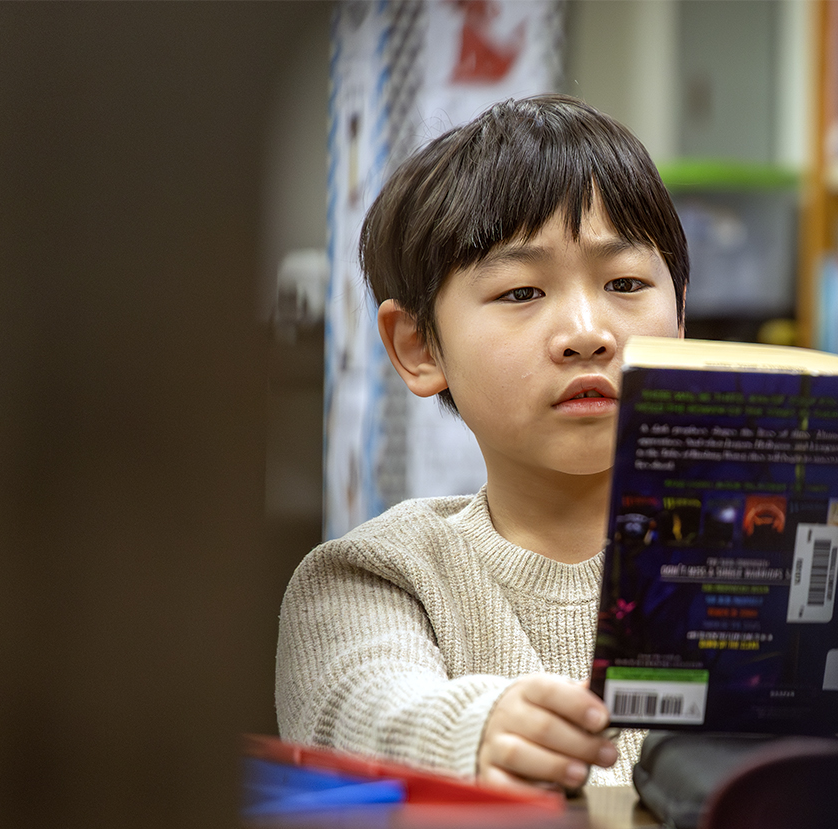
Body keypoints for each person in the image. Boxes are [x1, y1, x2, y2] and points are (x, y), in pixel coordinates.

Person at [276, 96, 688, 791]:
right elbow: (359, 704)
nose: (588, 331)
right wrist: (476, 731)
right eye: (523, 292)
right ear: (418, 346)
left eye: (625, 283)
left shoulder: (762, 546)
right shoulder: (376, 574)